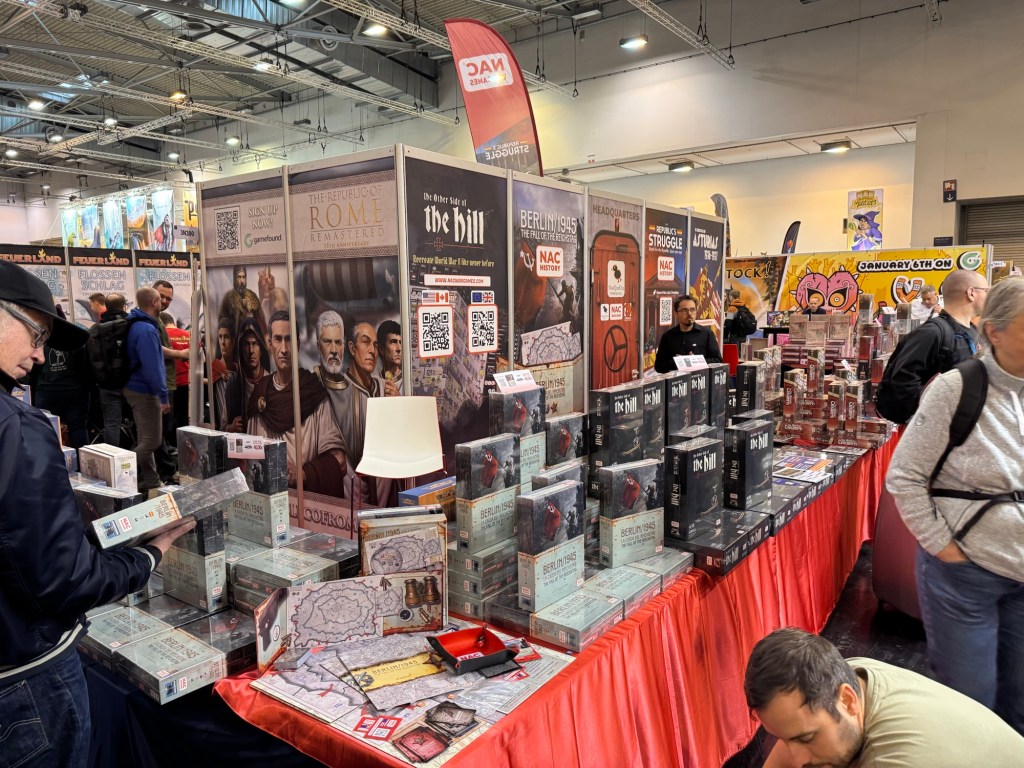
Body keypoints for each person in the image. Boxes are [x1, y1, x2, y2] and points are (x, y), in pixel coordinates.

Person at [0, 260, 194, 768]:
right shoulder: (16, 429)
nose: (39, 355)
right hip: (26, 683)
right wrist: (148, 556)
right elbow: (64, 582)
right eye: (36, 334)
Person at [886, 276, 1024, 736]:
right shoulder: (957, 387)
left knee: (1017, 706)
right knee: (969, 710)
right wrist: (943, 547)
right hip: (966, 576)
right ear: (995, 331)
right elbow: (905, 476)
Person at [744, 627, 1024, 768]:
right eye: (786, 739)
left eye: (806, 739)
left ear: (848, 701)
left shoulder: (893, 760)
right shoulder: (847, 675)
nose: (797, 760)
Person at [247, 310, 348, 496]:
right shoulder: (260, 396)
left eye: (289, 340)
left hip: (305, 502)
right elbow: (249, 461)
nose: (284, 349)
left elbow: (339, 462)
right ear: (269, 344)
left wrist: (304, 474)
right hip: (269, 501)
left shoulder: (312, 393)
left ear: (298, 344)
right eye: (278, 339)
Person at [876, 269, 987, 423]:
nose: (988, 296)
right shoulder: (932, 333)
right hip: (939, 429)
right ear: (971, 293)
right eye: (986, 290)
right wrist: (937, 418)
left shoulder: (973, 332)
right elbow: (903, 381)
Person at [313, 314, 387, 503]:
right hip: (348, 494)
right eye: (366, 342)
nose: (372, 351)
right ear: (352, 348)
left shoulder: (385, 388)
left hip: (381, 492)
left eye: (375, 345)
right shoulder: (330, 388)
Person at [123, 287, 170, 493]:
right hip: (144, 391)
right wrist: (163, 396)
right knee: (152, 442)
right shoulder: (147, 330)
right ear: (154, 302)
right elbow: (153, 368)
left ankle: (152, 482)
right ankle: (118, 468)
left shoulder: (137, 325)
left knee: (145, 439)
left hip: (135, 387)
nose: (163, 303)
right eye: (161, 299)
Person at [28, 304, 93, 448]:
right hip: (74, 390)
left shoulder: (39, 338)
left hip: (46, 390)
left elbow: (32, 369)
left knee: (46, 429)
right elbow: (85, 366)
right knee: (78, 428)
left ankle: (50, 459)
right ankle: (82, 460)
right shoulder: (75, 338)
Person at [152, 281, 186, 482]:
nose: (164, 301)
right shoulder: (148, 321)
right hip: (159, 385)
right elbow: (155, 351)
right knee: (156, 433)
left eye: (168, 298)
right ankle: (161, 473)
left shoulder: (155, 320)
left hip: (168, 384)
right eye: (161, 296)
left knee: (163, 430)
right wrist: (181, 354)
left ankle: (161, 472)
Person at [216, 317, 268, 433]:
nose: (251, 350)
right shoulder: (233, 385)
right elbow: (223, 427)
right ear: (240, 348)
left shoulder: (271, 383)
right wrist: (231, 428)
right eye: (246, 344)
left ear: (261, 348)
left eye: (255, 343)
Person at [653, 294, 723, 372]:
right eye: (684, 310)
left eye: (692, 309)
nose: (689, 313)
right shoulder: (668, 336)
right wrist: (679, 362)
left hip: (700, 378)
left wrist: (695, 361)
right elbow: (659, 366)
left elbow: (718, 360)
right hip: (678, 379)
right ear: (676, 314)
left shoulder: (707, 333)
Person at [95, 293, 129, 447]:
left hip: (106, 384)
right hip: (131, 382)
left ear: (106, 307)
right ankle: (138, 456)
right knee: (141, 422)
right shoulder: (130, 325)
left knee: (111, 423)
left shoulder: (96, 329)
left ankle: (113, 457)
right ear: (124, 307)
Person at [161, 311, 190, 433]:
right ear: (173, 322)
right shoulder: (188, 335)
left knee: (170, 419)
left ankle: (172, 441)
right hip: (187, 382)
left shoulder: (162, 336)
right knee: (184, 417)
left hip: (169, 383)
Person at [219, 265, 263, 338]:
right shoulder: (228, 298)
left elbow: (261, 323)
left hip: (251, 339)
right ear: (234, 278)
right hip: (234, 339)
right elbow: (222, 326)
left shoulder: (253, 296)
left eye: (243, 277)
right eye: (239, 277)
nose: (242, 281)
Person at [376, 318, 402, 396]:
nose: (399, 349)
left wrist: (399, 399)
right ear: (381, 349)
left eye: (400, 342)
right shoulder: (373, 383)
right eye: (393, 342)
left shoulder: (409, 383)